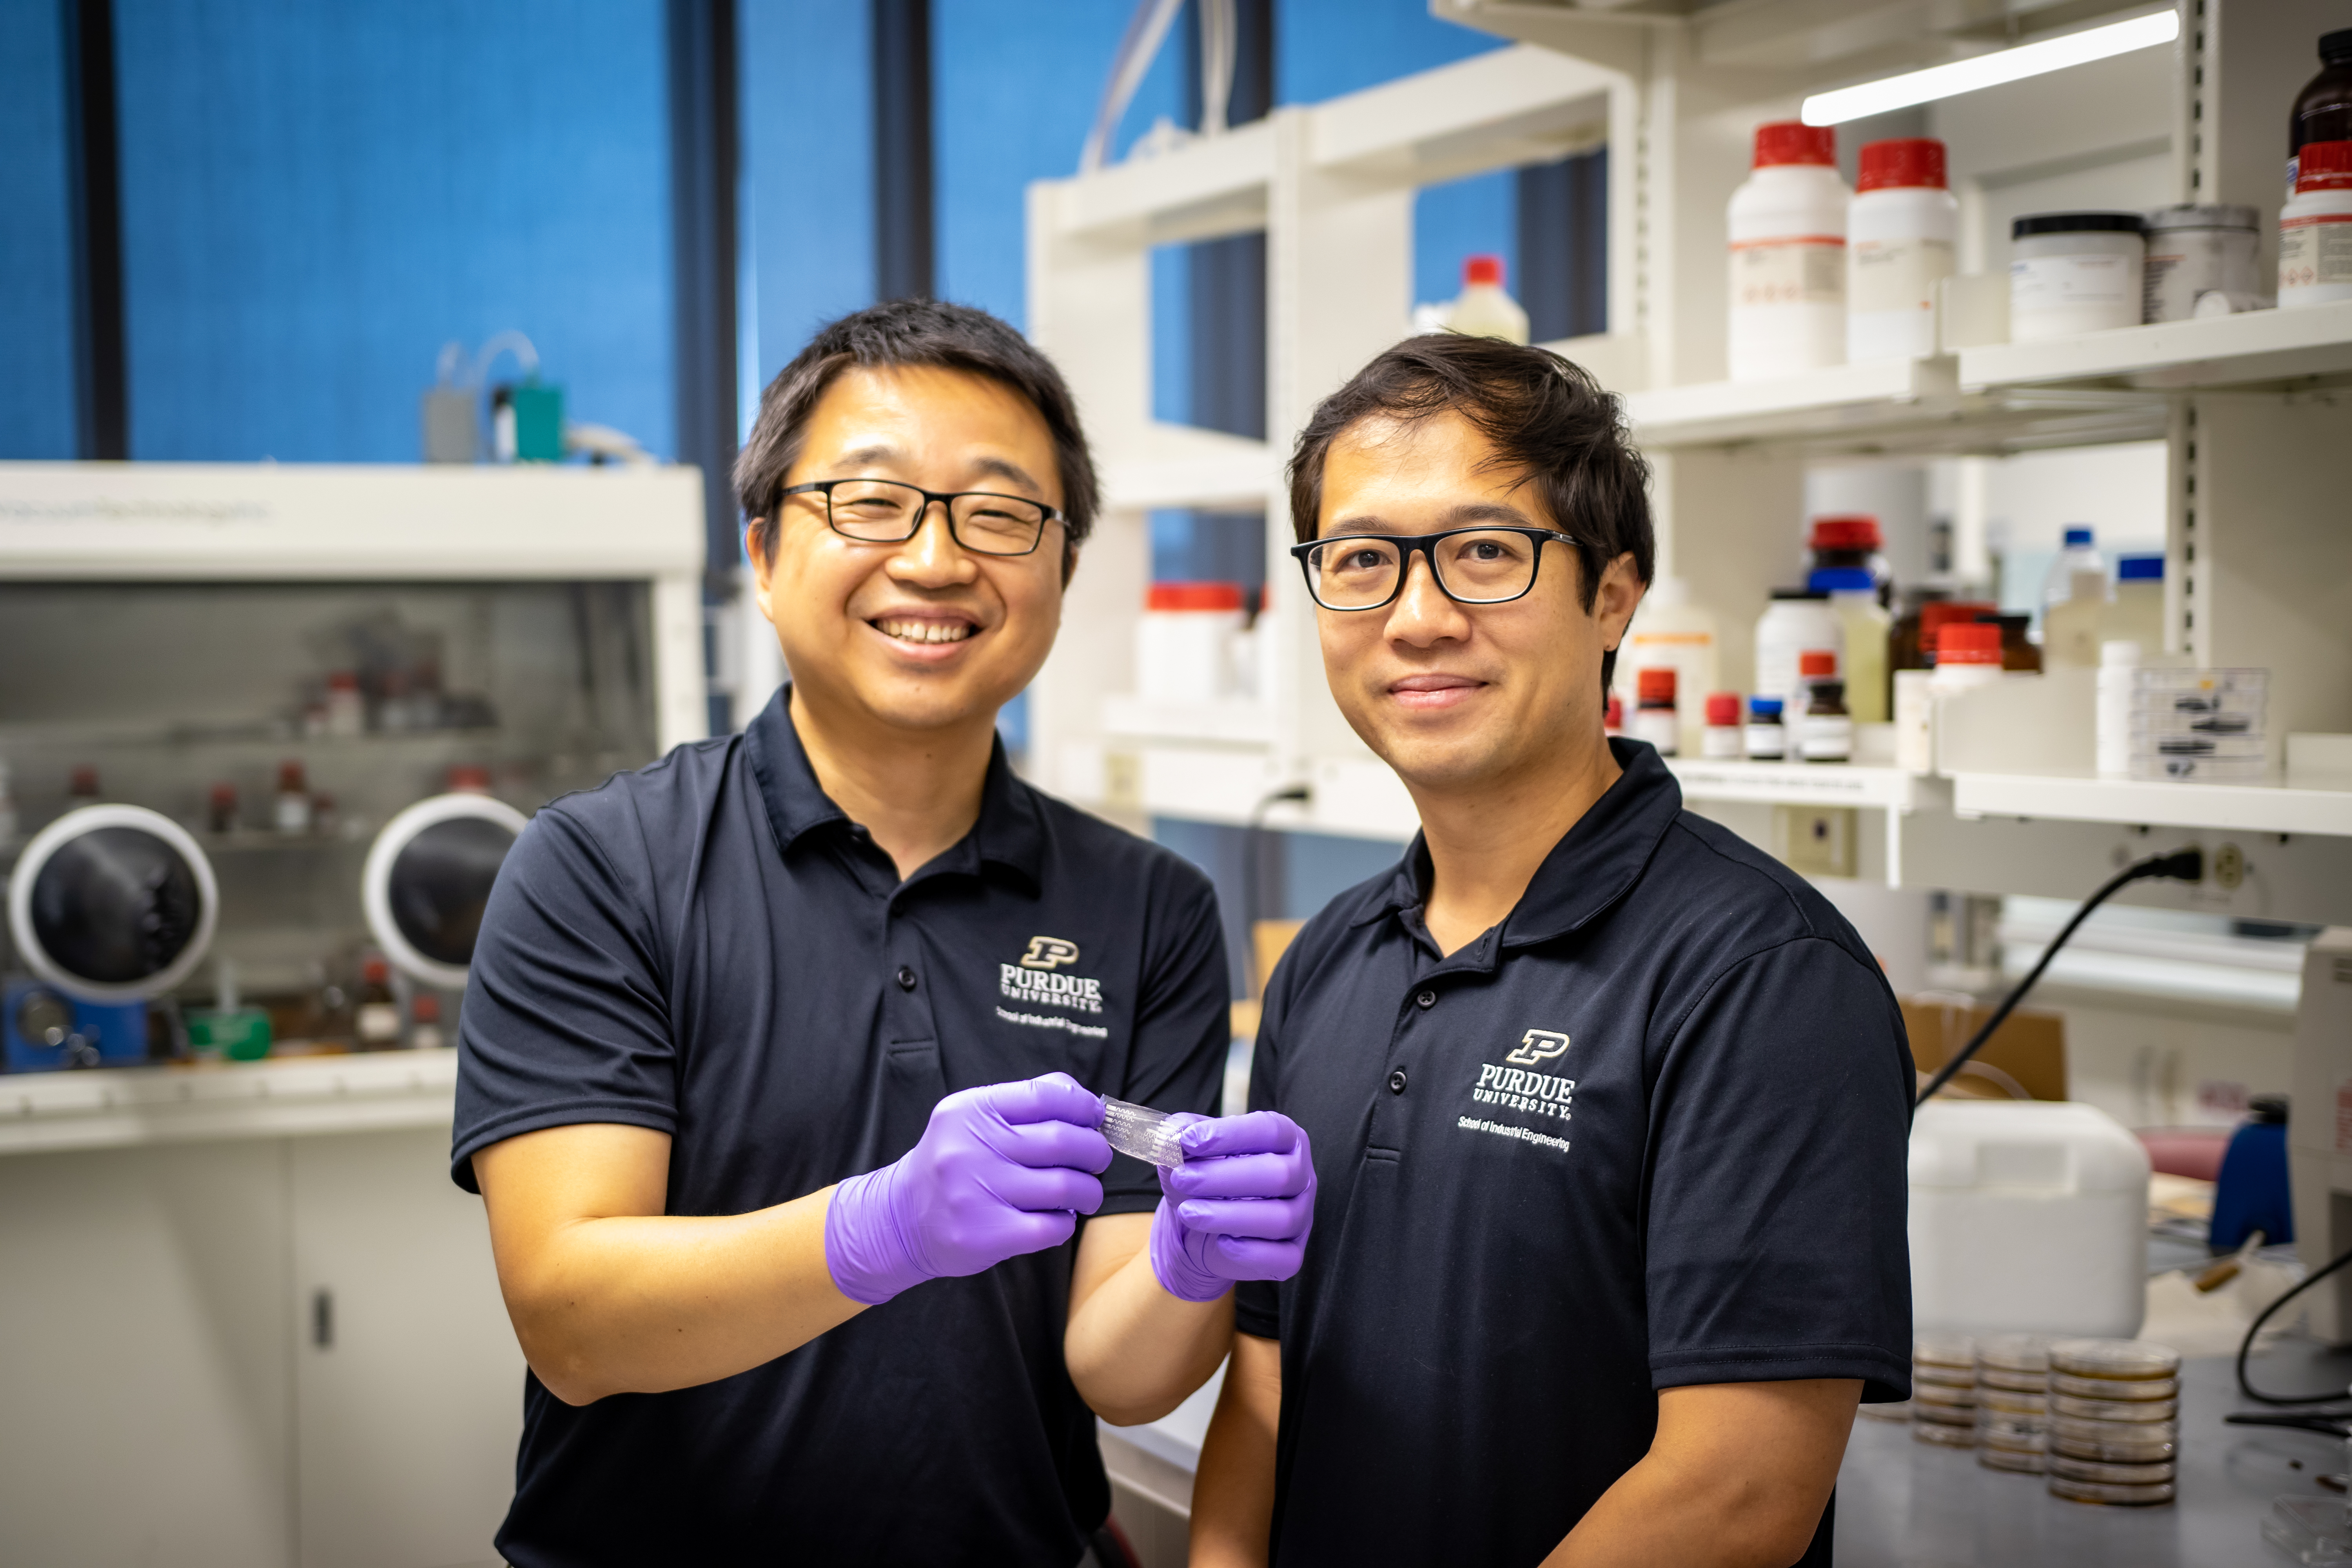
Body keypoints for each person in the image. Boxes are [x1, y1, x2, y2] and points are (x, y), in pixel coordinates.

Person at [452, 299, 1314, 1566]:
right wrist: (884, 1228)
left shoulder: (1151, 907)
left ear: (1063, 569)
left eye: (1001, 512)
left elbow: (1122, 1379)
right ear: (761, 548)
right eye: (871, 501)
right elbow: (576, 1324)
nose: (936, 559)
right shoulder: (600, 868)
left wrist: (1196, 1265)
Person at [1189, 336, 1913, 1568]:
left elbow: (1740, 1492)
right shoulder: (1325, 962)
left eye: (1483, 553)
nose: (1417, 620)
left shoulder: (1762, 977)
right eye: (1361, 560)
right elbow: (1264, 1376)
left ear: (1615, 593)